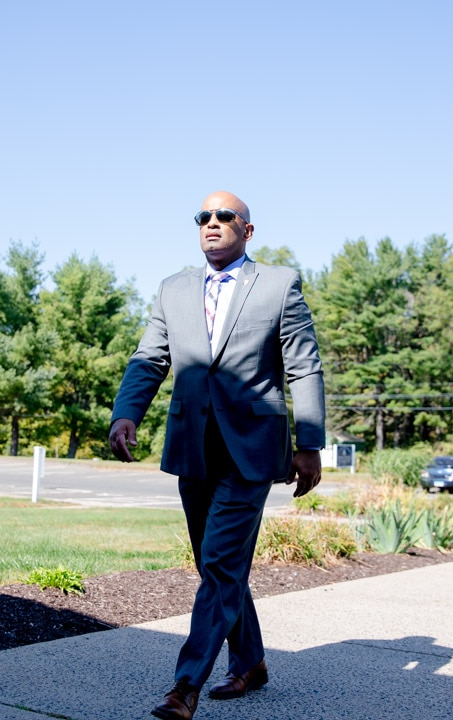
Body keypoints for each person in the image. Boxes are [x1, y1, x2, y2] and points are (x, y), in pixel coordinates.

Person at [109, 190, 326, 720]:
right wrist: (126, 413)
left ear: (246, 230)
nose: (211, 223)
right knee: (219, 567)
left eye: (224, 216)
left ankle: (185, 686)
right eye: (203, 217)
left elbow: (304, 366)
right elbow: (148, 358)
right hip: (192, 447)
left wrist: (310, 443)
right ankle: (250, 662)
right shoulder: (173, 289)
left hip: (252, 449)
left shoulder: (278, 283)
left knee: (220, 564)